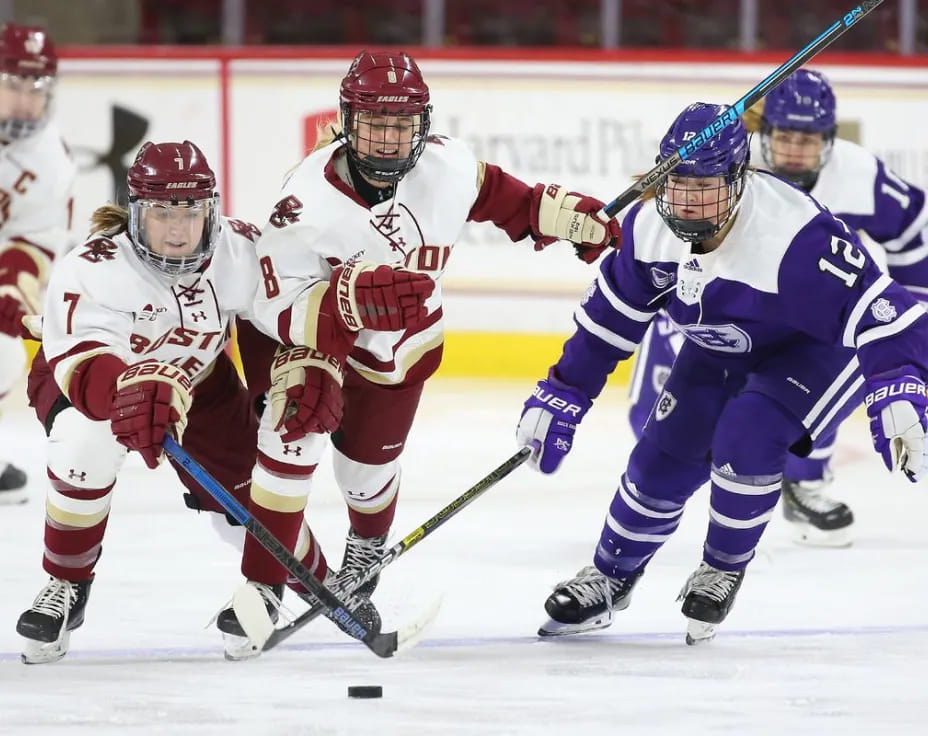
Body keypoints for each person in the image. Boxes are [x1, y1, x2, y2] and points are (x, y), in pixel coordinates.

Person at [215, 49, 622, 649]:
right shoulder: (303, 200)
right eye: (375, 124)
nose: (386, 140)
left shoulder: (447, 167)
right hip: (315, 344)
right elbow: (275, 303)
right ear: (348, 122)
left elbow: (507, 199)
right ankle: (263, 584)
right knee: (289, 433)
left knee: (366, 473)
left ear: (422, 126)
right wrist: (346, 306)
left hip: (400, 350)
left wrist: (562, 216)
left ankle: (364, 553)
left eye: (401, 125)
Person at [516, 101, 928, 645]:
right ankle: (610, 577)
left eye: (704, 184)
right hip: (723, 344)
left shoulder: (796, 236)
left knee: (749, 434)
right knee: (665, 451)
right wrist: (562, 392)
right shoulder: (646, 229)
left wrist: (898, 385)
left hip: (815, 351)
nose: (687, 199)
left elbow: (890, 314)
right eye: (676, 181)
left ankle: (722, 567)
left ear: (739, 178)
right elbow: (606, 326)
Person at [627, 68, 928, 547]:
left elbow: (913, 223)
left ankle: (805, 482)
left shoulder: (857, 174)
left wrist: (912, 310)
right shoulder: (730, 173)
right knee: (654, 418)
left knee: (819, 367)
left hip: (810, 313)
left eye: (809, 140)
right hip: (718, 304)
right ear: (760, 134)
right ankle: (663, 488)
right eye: (784, 136)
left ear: (830, 139)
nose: (794, 152)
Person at [14, 140, 288, 664]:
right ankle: (66, 583)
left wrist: (267, 393)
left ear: (211, 209)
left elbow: (269, 322)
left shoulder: (240, 248)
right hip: (91, 383)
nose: (179, 228)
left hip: (200, 385)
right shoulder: (93, 265)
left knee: (254, 488)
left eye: (191, 211)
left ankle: (268, 584)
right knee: (84, 440)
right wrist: (130, 396)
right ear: (137, 212)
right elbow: (86, 366)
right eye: (163, 211)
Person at [0, 23, 76, 504]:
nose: (27, 100)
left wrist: (9, 290)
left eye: (37, 87)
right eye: (14, 84)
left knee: (3, 351)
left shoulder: (50, 161)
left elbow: (33, 246)